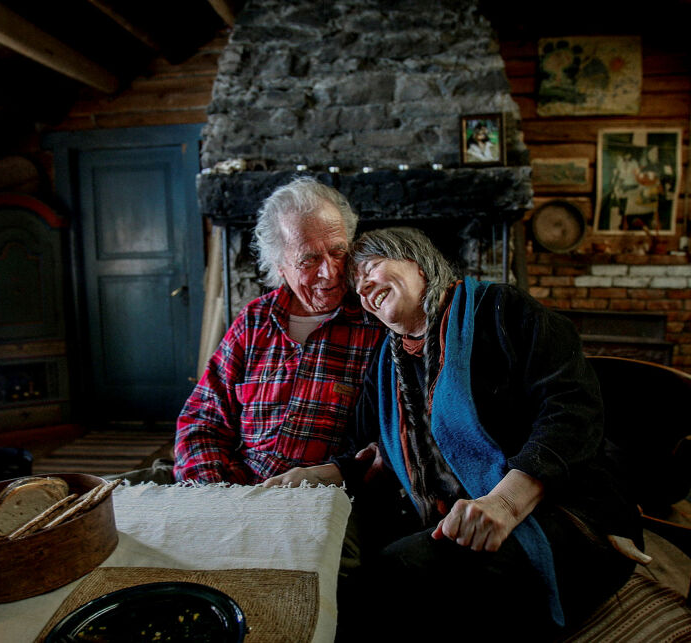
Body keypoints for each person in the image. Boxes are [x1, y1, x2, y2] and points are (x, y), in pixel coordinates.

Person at [265, 227, 642, 639]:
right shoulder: (386, 362)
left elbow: (572, 410)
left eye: (372, 267)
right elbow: (371, 451)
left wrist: (505, 504)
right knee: (324, 556)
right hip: (450, 519)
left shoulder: (501, 310)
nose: (365, 286)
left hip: (557, 515)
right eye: (357, 285)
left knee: (395, 576)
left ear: (419, 261)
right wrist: (316, 474)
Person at [173, 176, 385, 484]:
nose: (331, 271)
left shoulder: (376, 323)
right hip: (240, 488)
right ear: (279, 265)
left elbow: (390, 442)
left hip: (325, 497)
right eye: (309, 260)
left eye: (338, 251)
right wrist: (211, 494)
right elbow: (202, 419)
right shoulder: (255, 320)